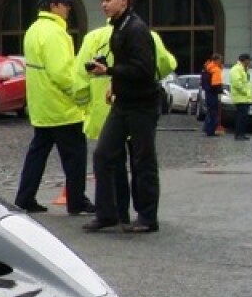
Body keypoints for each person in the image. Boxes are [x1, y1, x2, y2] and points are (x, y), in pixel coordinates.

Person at [76, 26, 178, 226]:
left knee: (111, 162)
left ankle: (115, 211)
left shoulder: (93, 38)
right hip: (131, 105)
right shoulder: (148, 34)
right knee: (140, 160)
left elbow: (79, 74)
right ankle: (143, 214)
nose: (104, 3)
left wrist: (82, 103)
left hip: (104, 109)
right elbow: (166, 63)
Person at [83, 0, 159, 234]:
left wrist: (110, 71)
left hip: (142, 105)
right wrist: (114, 81)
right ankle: (108, 214)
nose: (103, 4)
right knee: (103, 154)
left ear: (123, 1)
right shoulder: (119, 26)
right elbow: (129, 65)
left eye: (108, 0)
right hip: (123, 102)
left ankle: (148, 218)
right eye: (102, 0)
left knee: (143, 160)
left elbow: (145, 69)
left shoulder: (136, 29)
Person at [15, 0, 92, 214]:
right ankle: (77, 201)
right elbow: (61, 72)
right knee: (75, 158)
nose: (68, 8)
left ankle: (25, 197)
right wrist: (79, 94)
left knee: (36, 156)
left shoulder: (33, 30)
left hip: (41, 107)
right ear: (53, 6)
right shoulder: (56, 33)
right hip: (62, 109)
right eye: (64, 4)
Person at [228, 52, 252, 141]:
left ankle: (241, 134)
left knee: (243, 118)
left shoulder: (243, 69)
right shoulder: (236, 69)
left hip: (245, 98)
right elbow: (237, 83)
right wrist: (245, 92)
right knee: (241, 118)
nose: (250, 62)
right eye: (249, 60)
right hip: (241, 98)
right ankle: (239, 135)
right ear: (245, 60)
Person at [201, 53, 225, 136]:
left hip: (208, 93)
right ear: (216, 60)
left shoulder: (208, 67)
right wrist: (220, 91)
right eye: (220, 60)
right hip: (213, 93)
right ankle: (210, 131)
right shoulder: (216, 69)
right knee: (214, 112)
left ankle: (207, 129)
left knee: (210, 111)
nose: (221, 62)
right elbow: (216, 84)